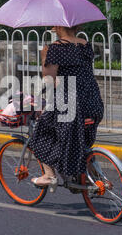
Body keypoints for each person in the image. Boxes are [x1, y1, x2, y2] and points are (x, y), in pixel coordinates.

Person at [28, 25, 104, 190]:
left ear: (57, 26)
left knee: (41, 132)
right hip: (92, 102)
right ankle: (90, 177)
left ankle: (49, 175)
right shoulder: (85, 44)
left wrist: (44, 59)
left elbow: (49, 80)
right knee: (79, 141)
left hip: (70, 103)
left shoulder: (54, 48)